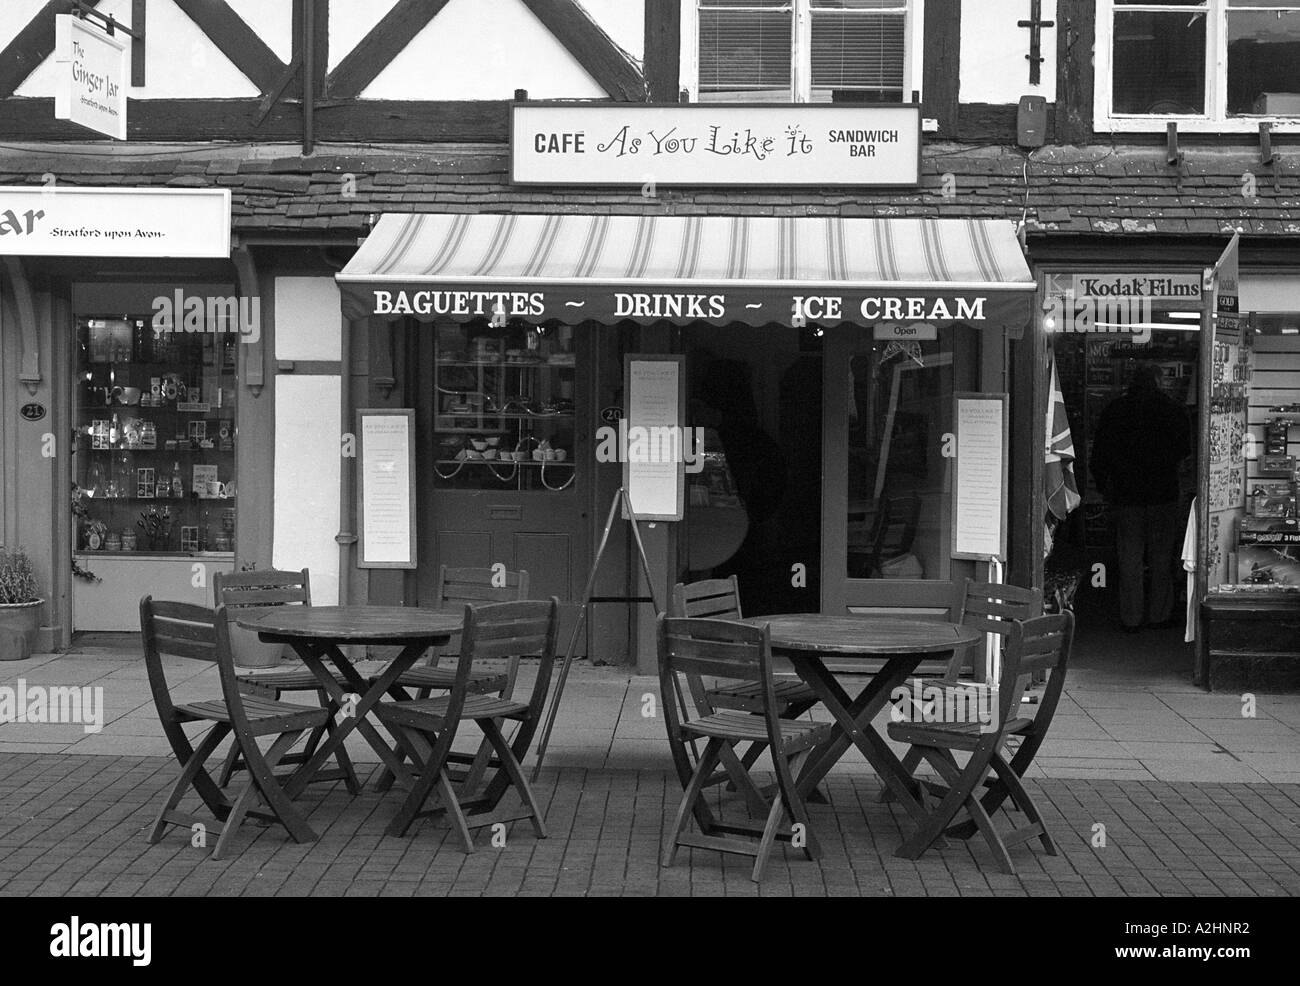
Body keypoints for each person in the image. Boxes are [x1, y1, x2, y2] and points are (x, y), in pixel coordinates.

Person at [1090, 363, 1191, 632]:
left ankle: (1131, 618)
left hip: (1126, 495)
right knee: (1161, 558)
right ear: (1158, 380)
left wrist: (1105, 486)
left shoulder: (1116, 410)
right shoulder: (1171, 409)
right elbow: (1185, 448)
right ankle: (1159, 614)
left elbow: (1099, 453)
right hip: (1162, 493)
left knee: (1129, 559)